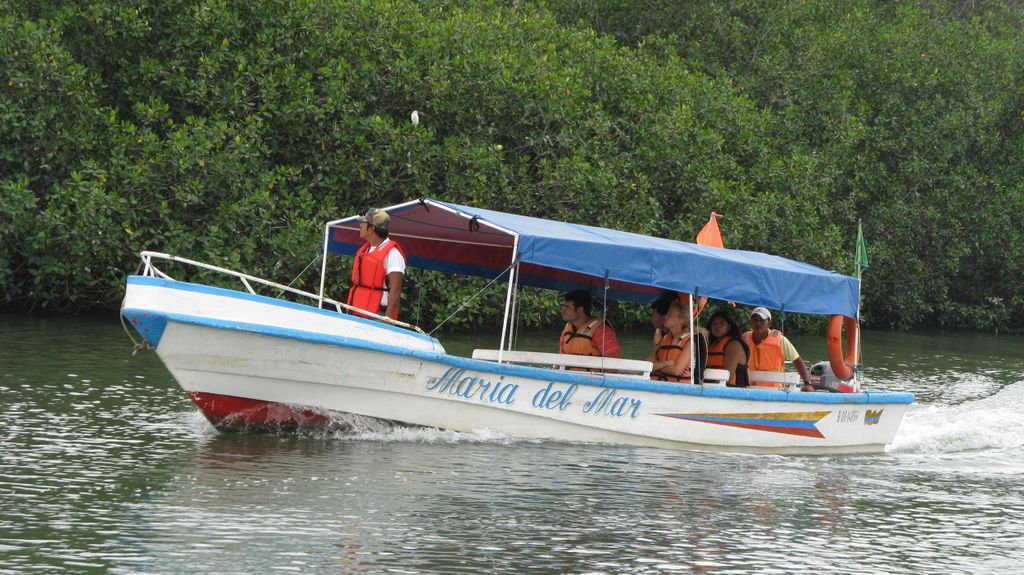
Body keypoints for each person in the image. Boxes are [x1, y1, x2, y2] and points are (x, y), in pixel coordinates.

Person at [347, 208, 405, 320]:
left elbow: (396, 289)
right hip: (357, 312)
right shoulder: (365, 250)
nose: (360, 226)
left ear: (371, 228)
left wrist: (388, 321)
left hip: (377, 316)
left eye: (363, 223)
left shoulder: (393, 254)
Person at [742, 307, 812, 390]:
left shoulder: (781, 340)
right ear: (751, 322)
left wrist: (807, 383)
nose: (758, 323)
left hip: (774, 390)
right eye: (755, 320)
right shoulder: (744, 338)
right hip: (748, 388)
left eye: (762, 320)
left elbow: (797, 360)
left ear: (769, 324)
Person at [648, 297, 708, 383]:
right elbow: (648, 364)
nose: (665, 316)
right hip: (658, 384)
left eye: (670, 315)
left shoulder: (690, 341)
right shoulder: (664, 339)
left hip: (678, 387)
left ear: (681, 319)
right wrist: (667, 363)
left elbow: (676, 370)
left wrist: (657, 367)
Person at [559, 290, 622, 359]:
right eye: (563, 306)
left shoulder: (601, 331)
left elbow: (616, 360)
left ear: (580, 310)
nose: (563, 310)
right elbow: (560, 359)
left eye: (567, 307)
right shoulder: (566, 332)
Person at [705, 310, 750, 387]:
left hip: (733, 389)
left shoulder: (734, 344)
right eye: (714, 324)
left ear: (729, 327)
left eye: (722, 323)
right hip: (711, 387)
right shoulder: (711, 344)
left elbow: (728, 375)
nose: (717, 326)